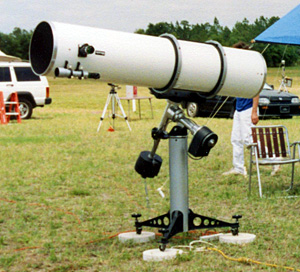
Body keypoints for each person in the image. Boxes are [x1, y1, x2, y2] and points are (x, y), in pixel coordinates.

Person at [223, 41, 280, 177]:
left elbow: (256, 90)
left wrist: (254, 111)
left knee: (249, 139)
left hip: (249, 108)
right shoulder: (238, 69)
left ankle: (274, 160)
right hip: (239, 108)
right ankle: (238, 167)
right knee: (236, 139)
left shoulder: (251, 69)